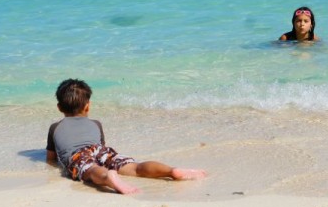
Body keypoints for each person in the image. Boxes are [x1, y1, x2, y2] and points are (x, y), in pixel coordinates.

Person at [46, 79, 207, 194]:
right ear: (88, 106)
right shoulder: (96, 124)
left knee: (93, 170)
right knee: (135, 168)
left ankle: (108, 177)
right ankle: (171, 171)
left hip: (78, 155)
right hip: (101, 150)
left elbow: (51, 158)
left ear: (59, 107)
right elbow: (99, 151)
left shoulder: (55, 128)